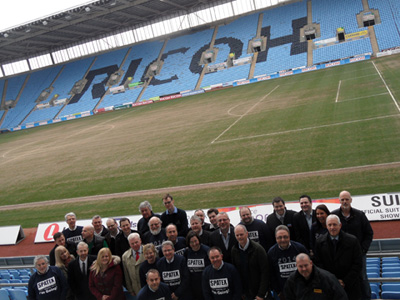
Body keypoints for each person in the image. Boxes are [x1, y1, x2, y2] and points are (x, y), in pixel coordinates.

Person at [332, 190, 373, 300]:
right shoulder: (334, 215)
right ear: (339, 201)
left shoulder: (360, 215)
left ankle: (366, 297)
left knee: (362, 278)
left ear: (351, 200)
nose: (344, 202)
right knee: (343, 278)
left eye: (346, 199)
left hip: (359, 254)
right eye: (342, 200)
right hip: (341, 255)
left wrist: (363, 250)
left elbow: (369, 233)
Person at [314, 214, 363, 300]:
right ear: (326, 226)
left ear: (340, 225)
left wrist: (345, 281)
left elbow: (357, 264)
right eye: (329, 225)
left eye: (334, 224)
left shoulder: (352, 241)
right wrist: (332, 280)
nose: (332, 227)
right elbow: (318, 264)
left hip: (351, 287)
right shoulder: (319, 242)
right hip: (329, 286)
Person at [268, 225, 308, 300]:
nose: (283, 240)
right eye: (279, 237)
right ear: (275, 238)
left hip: (302, 290)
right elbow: (271, 274)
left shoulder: (300, 248)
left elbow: (309, 268)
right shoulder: (271, 253)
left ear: (289, 236)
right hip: (283, 292)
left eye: (285, 237)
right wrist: (278, 291)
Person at [284, 253, 348, 300]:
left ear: (311, 263)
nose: (304, 269)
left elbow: (341, 297)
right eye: (300, 266)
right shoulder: (292, 281)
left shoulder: (328, 278)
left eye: (306, 265)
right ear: (296, 266)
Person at [231, 225, 269, 300]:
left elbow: (265, 272)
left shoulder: (258, 249)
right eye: (237, 235)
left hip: (258, 293)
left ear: (247, 234)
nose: (239, 237)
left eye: (241, 234)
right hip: (245, 294)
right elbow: (235, 273)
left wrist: (261, 294)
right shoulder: (234, 250)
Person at [184, 231, 211, 300]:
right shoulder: (187, 252)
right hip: (192, 285)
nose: (194, 244)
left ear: (199, 240)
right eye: (191, 242)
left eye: (195, 241)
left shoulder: (206, 250)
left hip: (204, 283)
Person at [122, 233, 145, 297]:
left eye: (136, 242)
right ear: (129, 244)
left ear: (140, 240)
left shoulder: (149, 251)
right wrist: (130, 290)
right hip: (136, 289)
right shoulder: (125, 256)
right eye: (132, 243)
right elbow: (126, 275)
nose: (135, 245)